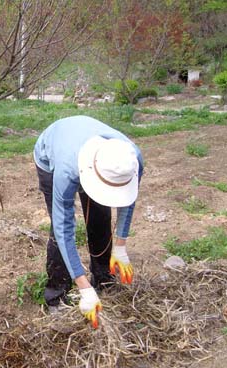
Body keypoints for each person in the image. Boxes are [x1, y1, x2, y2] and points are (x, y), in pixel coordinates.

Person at [33, 115, 144, 328]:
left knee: (100, 218)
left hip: (93, 152)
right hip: (52, 156)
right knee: (59, 233)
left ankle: (103, 281)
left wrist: (120, 247)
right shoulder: (66, 171)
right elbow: (63, 227)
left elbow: (128, 202)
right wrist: (83, 287)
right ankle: (57, 294)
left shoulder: (131, 160)